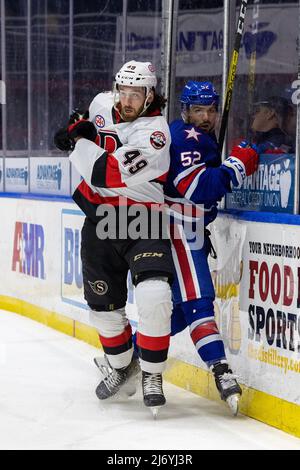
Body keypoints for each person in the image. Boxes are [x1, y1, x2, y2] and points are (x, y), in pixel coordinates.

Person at [54, 60, 175, 413]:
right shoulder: (103, 103)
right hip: (100, 217)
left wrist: (75, 142)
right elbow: (94, 127)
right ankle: (122, 366)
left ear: (150, 95)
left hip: (143, 219)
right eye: (123, 91)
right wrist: (78, 128)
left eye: (135, 94)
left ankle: (152, 372)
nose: (127, 100)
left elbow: (103, 171)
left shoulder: (155, 134)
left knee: (154, 294)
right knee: (103, 309)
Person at [163, 81, 259, 415]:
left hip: (188, 231)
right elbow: (200, 188)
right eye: (199, 110)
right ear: (185, 110)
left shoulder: (196, 137)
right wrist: (237, 164)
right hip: (179, 231)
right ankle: (221, 369)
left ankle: (129, 358)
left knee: (178, 312)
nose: (206, 117)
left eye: (211, 110)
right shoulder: (183, 138)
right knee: (201, 301)